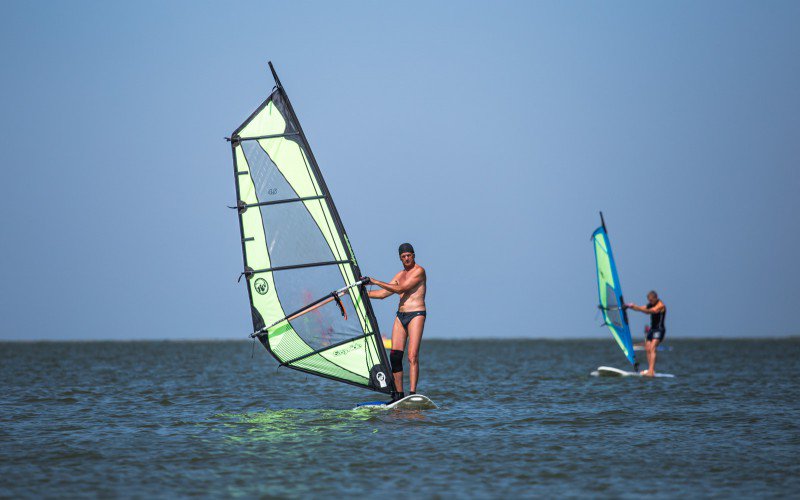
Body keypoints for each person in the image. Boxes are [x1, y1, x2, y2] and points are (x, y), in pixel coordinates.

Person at [362, 243, 426, 402]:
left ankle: (412, 393)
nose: (407, 258)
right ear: (400, 258)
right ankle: (398, 394)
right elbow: (383, 294)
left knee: (412, 356)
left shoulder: (419, 271)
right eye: (403, 257)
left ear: (414, 255)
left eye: (409, 255)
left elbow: (400, 289)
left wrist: (374, 281)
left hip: (416, 314)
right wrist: (361, 293)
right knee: (395, 356)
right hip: (400, 315)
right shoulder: (399, 275)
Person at [627, 291, 666, 377]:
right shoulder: (651, 304)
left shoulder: (661, 305)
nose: (650, 302)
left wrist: (636, 307)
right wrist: (630, 307)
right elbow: (641, 308)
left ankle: (651, 371)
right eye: (649, 300)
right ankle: (650, 369)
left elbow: (649, 311)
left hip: (659, 330)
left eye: (651, 300)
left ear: (656, 298)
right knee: (647, 348)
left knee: (652, 348)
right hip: (652, 329)